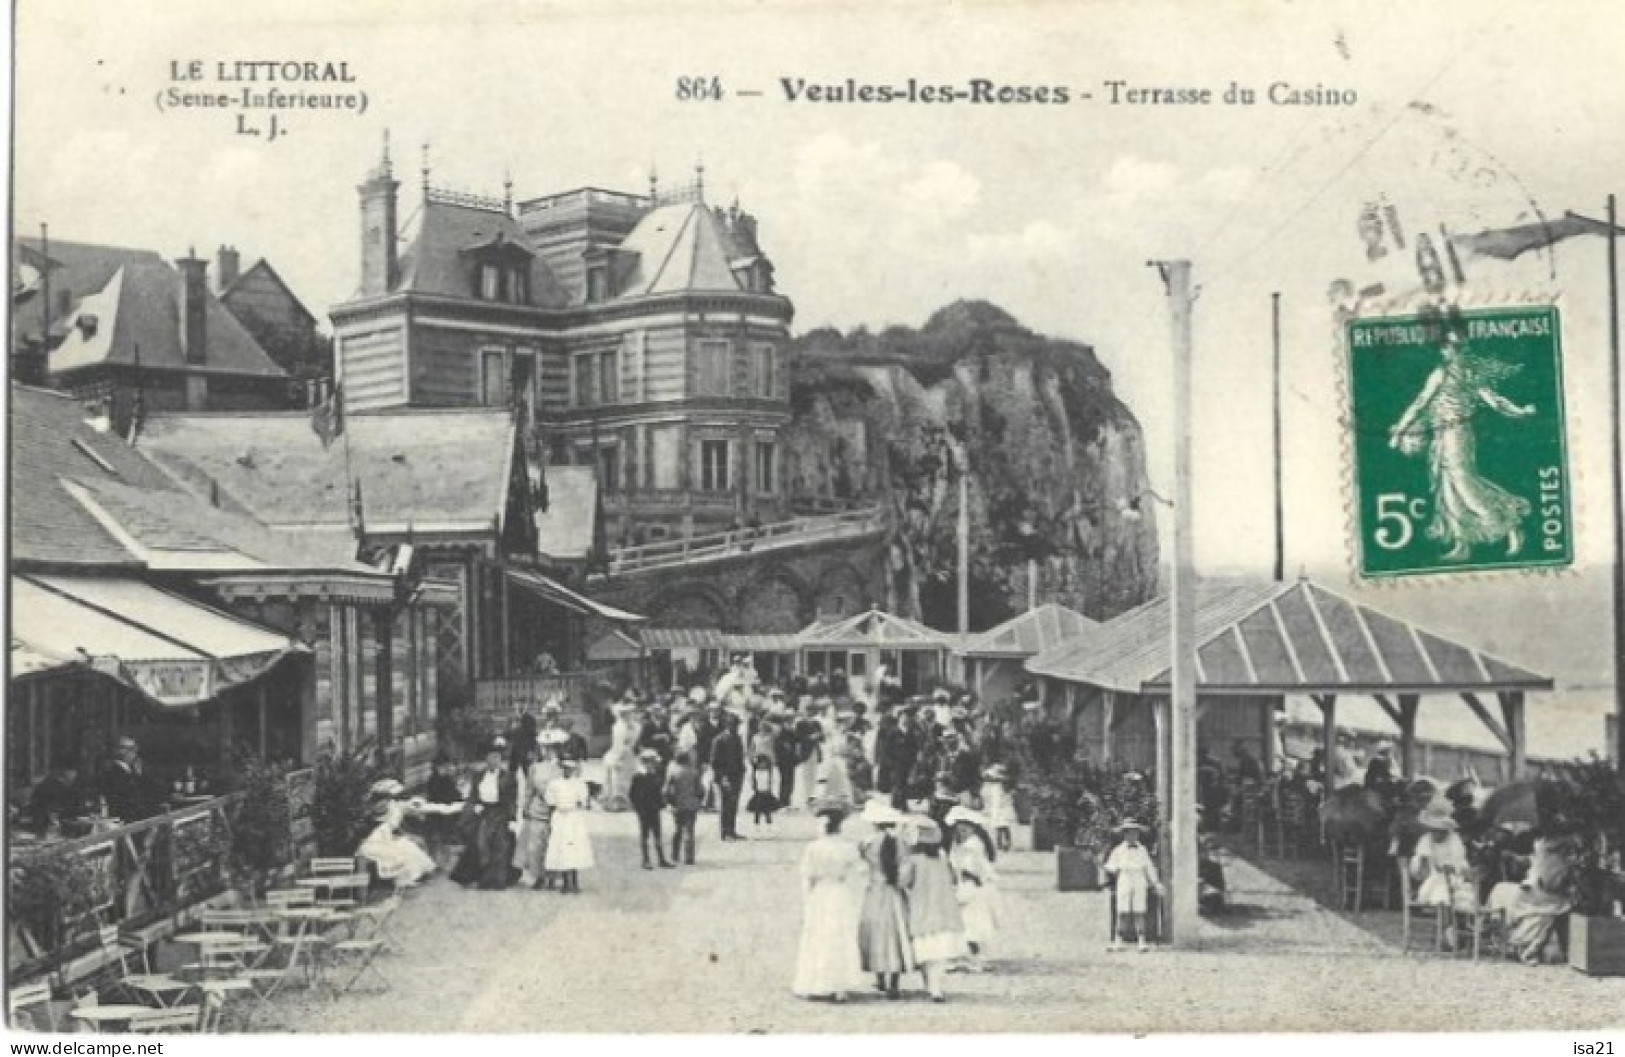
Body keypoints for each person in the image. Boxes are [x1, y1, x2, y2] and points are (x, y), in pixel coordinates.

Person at [1387, 328, 1535, 560]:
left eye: (1453, 347)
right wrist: (1401, 429)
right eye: (1447, 348)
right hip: (1441, 436)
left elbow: (1495, 402)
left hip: (1458, 434)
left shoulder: (1468, 375)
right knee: (1446, 487)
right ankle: (1461, 543)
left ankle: (1509, 525)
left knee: (1464, 484)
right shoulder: (1441, 374)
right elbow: (1420, 404)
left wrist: (1520, 412)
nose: (1449, 352)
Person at [791, 801, 865, 1002]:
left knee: (818, 934)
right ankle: (839, 986)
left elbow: (807, 876)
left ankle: (814, 982)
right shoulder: (848, 848)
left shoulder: (814, 848)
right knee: (839, 935)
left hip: (820, 893)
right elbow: (859, 873)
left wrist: (807, 900)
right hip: (840, 892)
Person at [903, 817, 967, 1002]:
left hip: (921, 906)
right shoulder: (941, 857)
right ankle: (935, 987)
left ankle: (930, 985)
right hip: (943, 908)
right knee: (939, 952)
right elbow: (954, 878)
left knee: (925, 950)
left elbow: (904, 880)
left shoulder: (913, 859)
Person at [857, 799, 916, 999]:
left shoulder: (866, 843)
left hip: (873, 890)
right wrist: (902, 884)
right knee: (896, 934)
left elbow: (860, 869)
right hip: (892, 892)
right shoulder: (900, 842)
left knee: (875, 933)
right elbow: (906, 869)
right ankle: (894, 983)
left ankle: (880, 977)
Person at [452, 742, 518, 889]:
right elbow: (473, 795)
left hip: (500, 813)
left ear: (501, 760)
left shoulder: (508, 777)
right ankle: (480, 876)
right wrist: (474, 806)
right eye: (491, 757)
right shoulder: (479, 776)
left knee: (500, 845)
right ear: (486, 759)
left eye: (497, 757)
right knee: (480, 844)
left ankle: (495, 880)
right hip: (484, 812)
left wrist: (512, 818)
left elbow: (512, 800)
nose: (494, 760)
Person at [357, 779, 441, 887]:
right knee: (401, 849)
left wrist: (402, 834)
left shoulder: (393, 805)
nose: (385, 802)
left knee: (408, 845)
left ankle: (413, 875)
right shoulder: (375, 809)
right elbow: (375, 829)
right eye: (385, 798)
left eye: (389, 798)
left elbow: (395, 825)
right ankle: (402, 878)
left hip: (387, 837)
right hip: (374, 840)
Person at [1409, 805, 1475, 945]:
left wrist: (1455, 869)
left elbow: (1460, 863)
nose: (1437, 834)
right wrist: (1431, 866)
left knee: (1460, 893)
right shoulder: (1425, 840)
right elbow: (1421, 870)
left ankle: (1454, 931)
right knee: (1442, 890)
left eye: (1440, 831)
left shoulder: (1454, 840)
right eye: (1434, 830)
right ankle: (1446, 932)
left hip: (1454, 880)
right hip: (1431, 882)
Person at [946, 807, 1000, 971]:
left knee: (972, 922)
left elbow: (978, 868)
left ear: (973, 827)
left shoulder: (974, 845)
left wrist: (965, 873)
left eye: (966, 826)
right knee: (964, 922)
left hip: (973, 886)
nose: (962, 830)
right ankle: (965, 955)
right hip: (962, 884)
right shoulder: (958, 844)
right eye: (959, 826)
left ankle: (974, 957)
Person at [1104, 819, 1160, 952]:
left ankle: (1141, 941)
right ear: (1124, 835)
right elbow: (1111, 867)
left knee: (1139, 910)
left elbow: (1149, 867)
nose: (1132, 836)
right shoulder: (1118, 850)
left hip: (1139, 878)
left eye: (1135, 833)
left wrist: (1155, 883)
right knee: (1122, 910)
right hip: (1124, 878)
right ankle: (1119, 941)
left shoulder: (1142, 850)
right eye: (1129, 833)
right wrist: (1109, 872)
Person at [515, 739, 563, 889]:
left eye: (551, 748)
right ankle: (538, 876)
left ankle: (552, 877)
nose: (547, 751)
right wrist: (525, 807)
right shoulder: (534, 768)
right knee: (535, 846)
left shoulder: (562, 768)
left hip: (556, 810)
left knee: (553, 844)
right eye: (544, 748)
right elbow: (529, 790)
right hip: (537, 810)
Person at [544, 758, 595, 893]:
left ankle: (575, 882)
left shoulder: (579, 784)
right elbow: (550, 803)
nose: (567, 771)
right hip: (560, 818)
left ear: (574, 770)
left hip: (574, 819)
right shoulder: (554, 784)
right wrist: (551, 821)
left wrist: (577, 804)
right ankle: (566, 882)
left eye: (570, 768)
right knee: (562, 848)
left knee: (574, 848)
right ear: (561, 769)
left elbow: (583, 801)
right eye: (565, 768)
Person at [630, 750, 674, 869]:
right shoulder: (638, 776)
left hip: (654, 809)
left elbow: (658, 792)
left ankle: (661, 859)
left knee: (657, 834)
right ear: (646, 762)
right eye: (653, 762)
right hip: (644, 810)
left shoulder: (655, 775)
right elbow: (633, 795)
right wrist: (638, 808)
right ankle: (646, 860)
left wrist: (661, 804)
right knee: (645, 835)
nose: (655, 764)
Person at [100, 736, 159, 822]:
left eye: (135, 749)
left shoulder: (131, 771)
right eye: (132, 749)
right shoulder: (114, 772)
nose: (135, 753)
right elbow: (128, 799)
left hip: (136, 816)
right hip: (126, 820)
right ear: (121, 751)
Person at [27, 757, 86, 836]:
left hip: (53, 825)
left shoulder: (64, 785)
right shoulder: (51, 786)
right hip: (46, 827)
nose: (75, 774)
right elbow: (48, 810)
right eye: (73, 771)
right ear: (64, 771)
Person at [710, 714, 747, 840]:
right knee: (726, 804)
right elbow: (715, 762)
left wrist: (742, 771)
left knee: (733, 804)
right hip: (725, 777)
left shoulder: (737, 738)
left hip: (737, 775)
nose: (735, 727)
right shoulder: (719, 740)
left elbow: (739, 757)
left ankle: (731, 830)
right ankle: (725, 831)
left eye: (736, 725)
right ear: (727, 725)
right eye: (733, 724)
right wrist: (723, 777)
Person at [664, 750, 704, 866]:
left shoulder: (673, 773)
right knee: (689, 830)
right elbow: (700, 790)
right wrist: (698, 800)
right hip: (691, 805)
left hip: (678, 804)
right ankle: (689, 857)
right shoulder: (694, 772)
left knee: (677, 829)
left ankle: (675, 854)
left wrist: (669, 802)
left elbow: (667, 790)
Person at [603, 702, 641, 811]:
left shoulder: (636, 726)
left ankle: (627, 802)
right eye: (624, 714)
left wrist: (631, 748)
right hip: (618, 753)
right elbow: (617, 743)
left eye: (629, 713)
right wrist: (618, 757)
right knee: (616, 779)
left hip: (629, 753)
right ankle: (614, 803)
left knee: (629, 778)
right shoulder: (618, 727)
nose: (628, 715)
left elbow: (634, 741)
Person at [979, 765, 1015, 853]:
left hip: (1003, 807)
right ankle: (1001, 844)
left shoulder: (1003, 784)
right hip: (997, 807)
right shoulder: (994, 786)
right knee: (999, 827)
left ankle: (1005, 844)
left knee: (1004, 826)